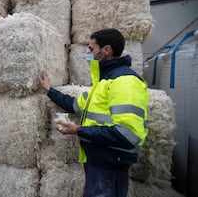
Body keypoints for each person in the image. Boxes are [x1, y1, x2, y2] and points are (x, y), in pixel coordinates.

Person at [39, 28, 149, 197]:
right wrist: (49, 90)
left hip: (110, 163)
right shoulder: (103, 83)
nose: (88, 53)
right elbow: (73, 104)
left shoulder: (125, 82)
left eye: (91, 49)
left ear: (106, 50)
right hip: (101, 161)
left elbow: (128, 135)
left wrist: (78, 130)